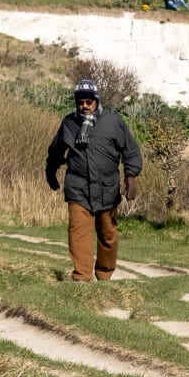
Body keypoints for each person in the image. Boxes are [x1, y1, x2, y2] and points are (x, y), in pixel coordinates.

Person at [45, 79, 143, 282]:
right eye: (81, 102)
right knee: (78, 233)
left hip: (107, 188)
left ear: (96, 101)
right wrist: (51, 170)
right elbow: (56, 150)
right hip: (78, 187)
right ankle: (81, 278)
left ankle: (104, 275)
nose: (84, 106)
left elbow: (131, 151)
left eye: (89, 102)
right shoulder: (69, 123)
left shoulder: (112, 122)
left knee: (108, 235)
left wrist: (131, 177)